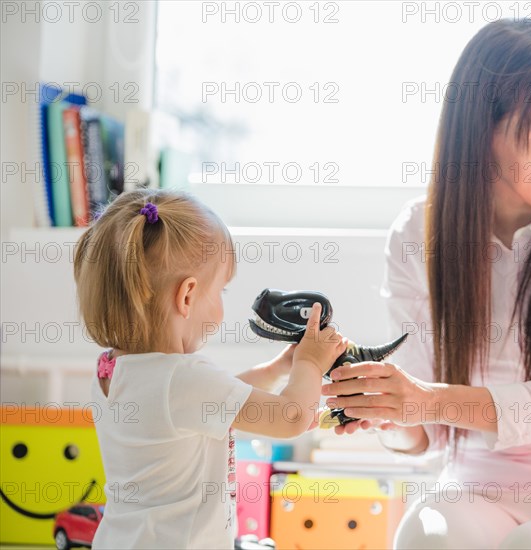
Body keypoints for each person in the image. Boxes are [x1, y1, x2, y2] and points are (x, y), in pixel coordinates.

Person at [321, 18, 531, 549]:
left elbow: (435, 399)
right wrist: (387, 409)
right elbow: (426, 431)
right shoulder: (418, 233)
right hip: (477, 486)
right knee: (427, 537)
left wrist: (430, 400)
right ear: (484, 132)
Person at [73, 189, 347, 549]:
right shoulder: (181, 377)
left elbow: (220, 399)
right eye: (221, 292)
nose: (220, 305)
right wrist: (311, 363)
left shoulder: (114, 368)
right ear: (187, 296)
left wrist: (280, 368)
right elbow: (291, 417)